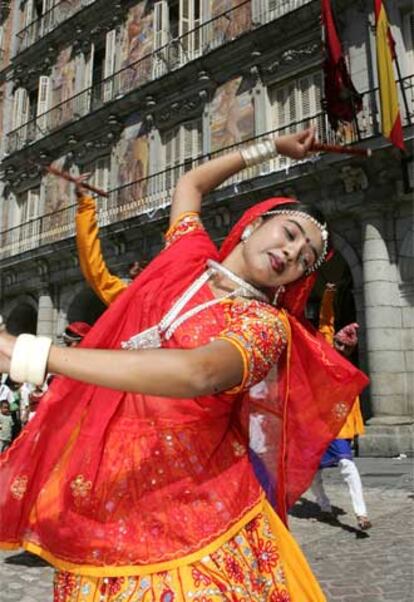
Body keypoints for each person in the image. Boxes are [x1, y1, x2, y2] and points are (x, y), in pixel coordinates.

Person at [0, 129, 368, 601]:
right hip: (111, 487)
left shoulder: (264, 326)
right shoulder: (187, 255)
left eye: (305, 259)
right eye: (290, 233)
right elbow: (190, 185)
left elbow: (199, 372)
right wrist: (269, 148)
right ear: (256, 223)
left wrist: (34, 354)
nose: (292, 253)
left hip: (198, 513)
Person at [311, 283, 371, 530]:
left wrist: (355, 430)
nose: (341, 348)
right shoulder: (324, 350)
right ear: (333, 341)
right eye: (339, 343)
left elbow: (353, 404)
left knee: (347, 464)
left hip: (338, 428)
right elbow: (326, 321)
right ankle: (324, 506)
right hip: (316, 424)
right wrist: (329, 294)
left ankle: (362, 514)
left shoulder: (349, 372)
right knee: (312, 472)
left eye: (346, 347)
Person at [75, 186, 144, 306]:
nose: (133, 270)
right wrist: (85, 206)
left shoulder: (132, 297)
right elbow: (93, 268)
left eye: (137, 267)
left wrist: (86, 206)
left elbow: (94, 269)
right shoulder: (130, 295)